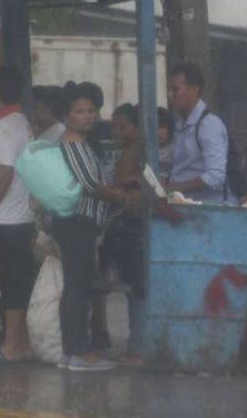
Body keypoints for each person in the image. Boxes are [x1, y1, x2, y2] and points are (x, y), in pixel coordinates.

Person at [54, 82, 127, 372]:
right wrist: (120, 196)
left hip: (76, 222)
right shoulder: (72, 144)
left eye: (91, 110)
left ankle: (69, 351)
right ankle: (79, 353)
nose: (87, 116)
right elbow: (92, 186)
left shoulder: (79, 143)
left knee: (75, 285)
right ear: (67, 116)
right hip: (77, 222)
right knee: (78, 286)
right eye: (80, 111)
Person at [0, 66, 36, 365]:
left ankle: (13, 346)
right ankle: (20, 343)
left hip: (8, 218)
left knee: (11, 282)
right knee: (17, 280)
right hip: (19, 215)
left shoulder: (7, 127)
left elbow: (6, 173)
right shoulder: (19, 121)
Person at [166, 62, 235, 203]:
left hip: (209, 212)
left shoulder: (209, 125)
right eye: (169, 90)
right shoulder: (180, 127)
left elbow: (216, 176)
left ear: (194, 90)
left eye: (175, 90)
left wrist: (178, 186)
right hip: (184, 208)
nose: (169, 95)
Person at [110, 103, 146, 360]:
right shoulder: (131, 152)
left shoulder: (135, 153)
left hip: (132, 226)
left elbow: (130, 195)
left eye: (122, 127)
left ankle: (138, 346)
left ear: (135, 128)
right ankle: (137, 344)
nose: (116, 132)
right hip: (131, 225)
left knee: (136, 288)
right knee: (135, 287)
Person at [157, 107, 174, 181]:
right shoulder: (146, 151)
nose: (157, 132)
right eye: (154, 127)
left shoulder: (175, 150)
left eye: (161, 127)